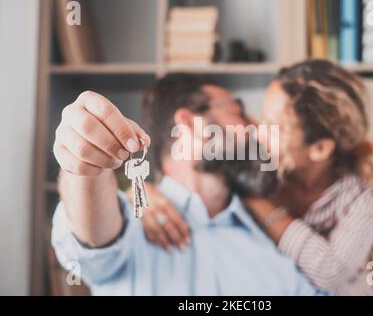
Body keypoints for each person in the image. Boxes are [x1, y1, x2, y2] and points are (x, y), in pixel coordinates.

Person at [141, 60, 373, 295]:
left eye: (275, 127)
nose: (257, 130)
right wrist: (143, 194)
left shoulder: (366, 192)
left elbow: (330, 272)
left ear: (319, 149)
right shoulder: (260, 157)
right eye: (262, 117)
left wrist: (257, 202)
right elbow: (188, 173)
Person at [51, 73, 325, 296]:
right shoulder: (131, 222)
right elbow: (93, 238)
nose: (255, 127)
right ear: (190, 124)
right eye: (238, 112)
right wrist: (85, 168)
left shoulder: (271, 243)